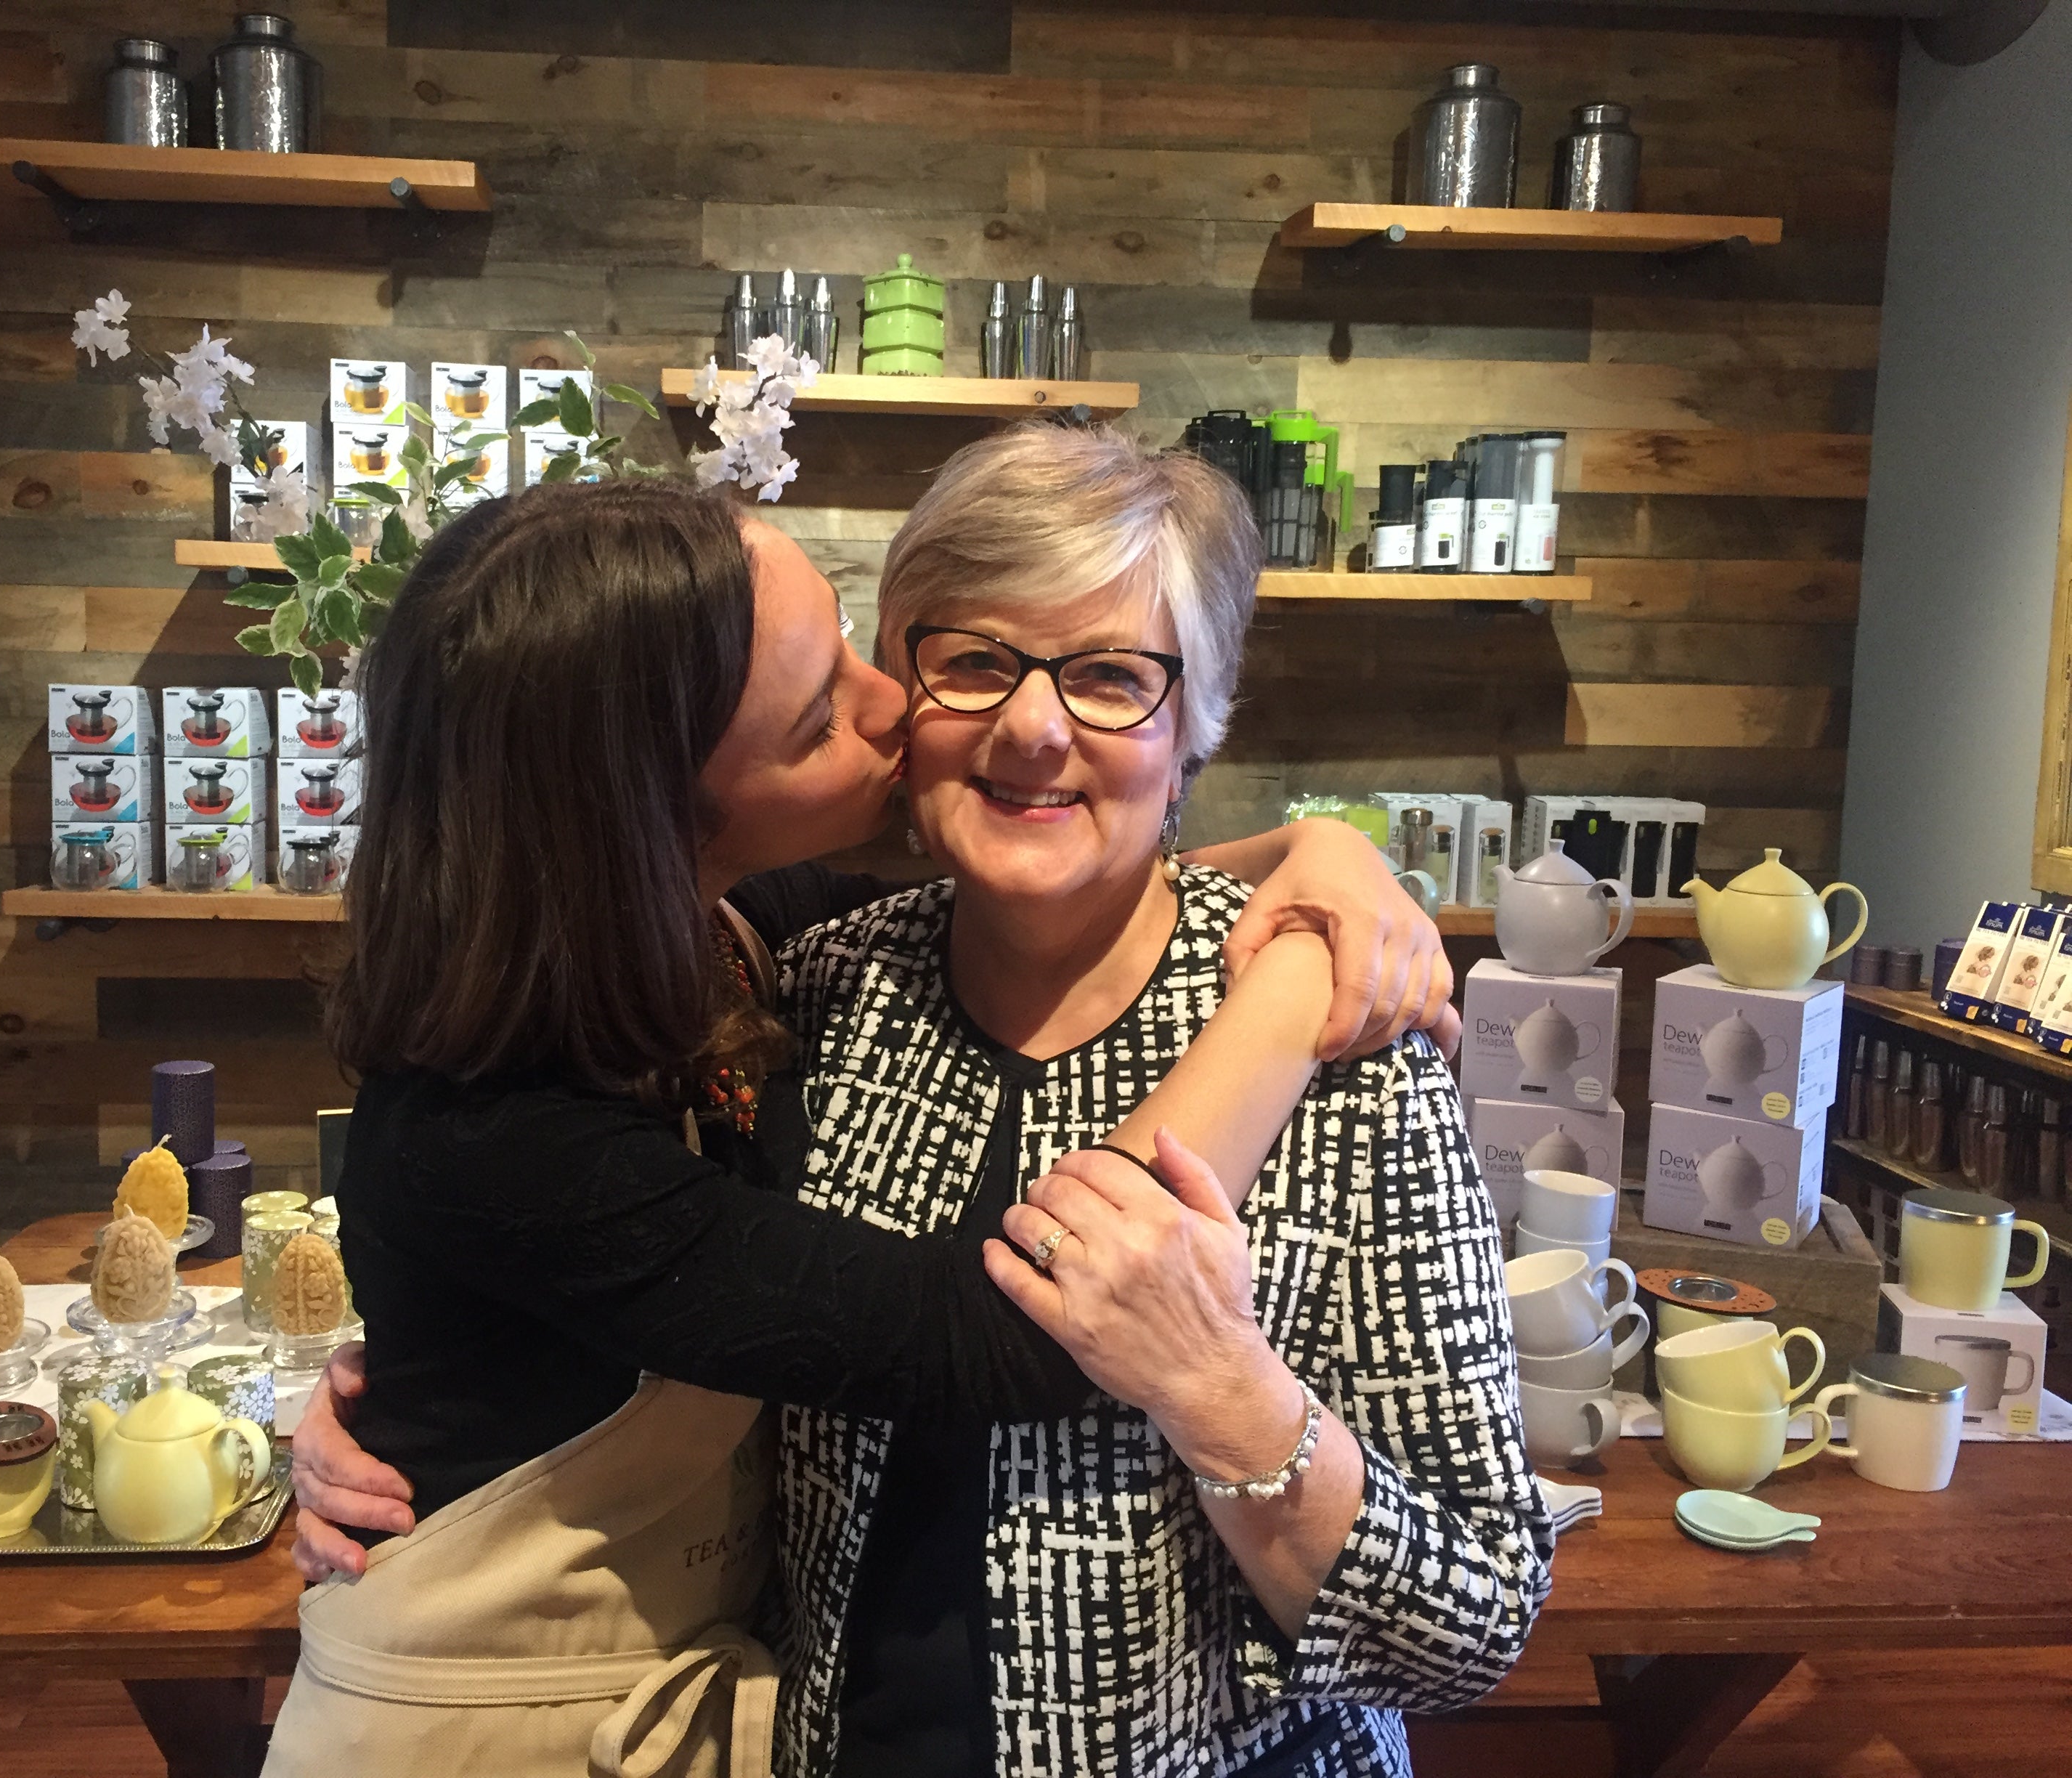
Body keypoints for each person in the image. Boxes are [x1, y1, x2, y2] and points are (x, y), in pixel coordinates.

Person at [260, 476, 1448, 1778]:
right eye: (828, 708)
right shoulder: (536, 1121)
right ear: (662, 817)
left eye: (1113, 679)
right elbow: (1014, 1325)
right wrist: (1286, 996)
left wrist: (1319, 860)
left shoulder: (725, 936)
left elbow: (1076, 860)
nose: (898, 703)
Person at [742, 426, 1549, 1776]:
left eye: (1114, 677)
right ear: (906, 688)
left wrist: (1222, 1393)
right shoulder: (818, 997)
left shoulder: (1338, 1042)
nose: (1033, 727)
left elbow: (1477, 1624)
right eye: (977, 661)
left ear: (1197, 724)